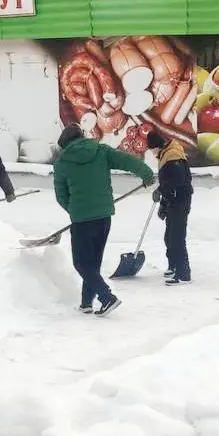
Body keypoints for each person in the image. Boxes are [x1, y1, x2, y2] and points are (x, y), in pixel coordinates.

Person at [53, 124, 156, 317]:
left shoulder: (62, 162)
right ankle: (86, 302)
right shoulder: (100, 151)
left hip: (82, 219)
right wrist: (147, 174)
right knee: (93, 262)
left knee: (81, 264)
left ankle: (107, 297)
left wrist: (75, 209)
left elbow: (61, 195)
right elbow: (128, 161)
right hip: (103, 216)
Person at [147, 131, 193, 284]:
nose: (151, 152)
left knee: (177, 238)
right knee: (169, 237)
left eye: (151, 148)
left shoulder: (173, 155)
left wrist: (159, 191)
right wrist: (164, 206)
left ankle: (183, 274)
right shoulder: (166, 154)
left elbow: (178, 180)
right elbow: (168, 183)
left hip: (181, 201)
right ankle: (173, 266)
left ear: (156, 146)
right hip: (174, 200)